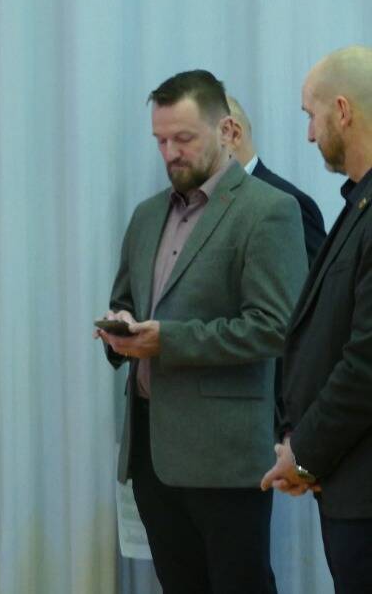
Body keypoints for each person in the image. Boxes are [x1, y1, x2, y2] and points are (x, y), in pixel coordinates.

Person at [97, 70, 307, 593]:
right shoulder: (147, 215)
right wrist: (120, 329)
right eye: (160, 140)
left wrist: (166, 340)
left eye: (183, 139)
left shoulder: (269, 211)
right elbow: (127, 301)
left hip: (226, 459)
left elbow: (275, 328)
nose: (170, 153)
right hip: (150, 455)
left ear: (226, 130)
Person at [261, 45, 372, 593]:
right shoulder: (358, 204)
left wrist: (304, 453)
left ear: (343, 111)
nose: (309, 134)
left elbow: (365, 364)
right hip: (349, 483)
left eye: (312, 114)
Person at [226, 94, 326, 265]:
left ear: (234, 135)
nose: (179, 153)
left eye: (189, 139)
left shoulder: (288, 203)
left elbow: (317, 279)